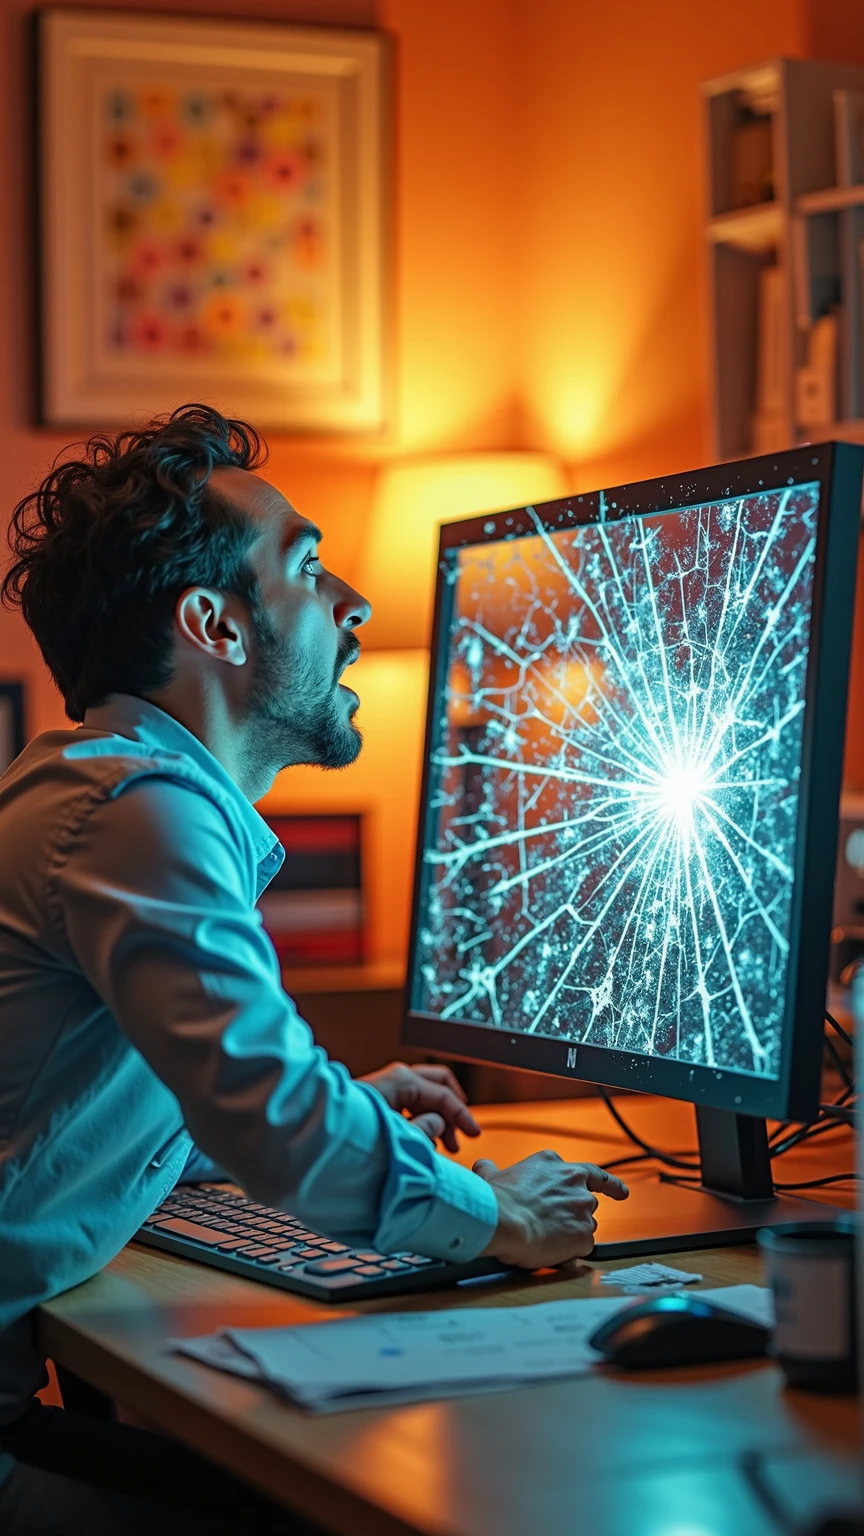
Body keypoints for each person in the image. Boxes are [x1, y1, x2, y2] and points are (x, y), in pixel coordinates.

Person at [0, 405, 628, 1533]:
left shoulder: (101, 790)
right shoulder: (137, 810)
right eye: (308, 567)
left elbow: (104, 1111)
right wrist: (500, 1215)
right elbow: (274, 1121)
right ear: (216, 627)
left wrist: (351, 1108)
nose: (356, 606)